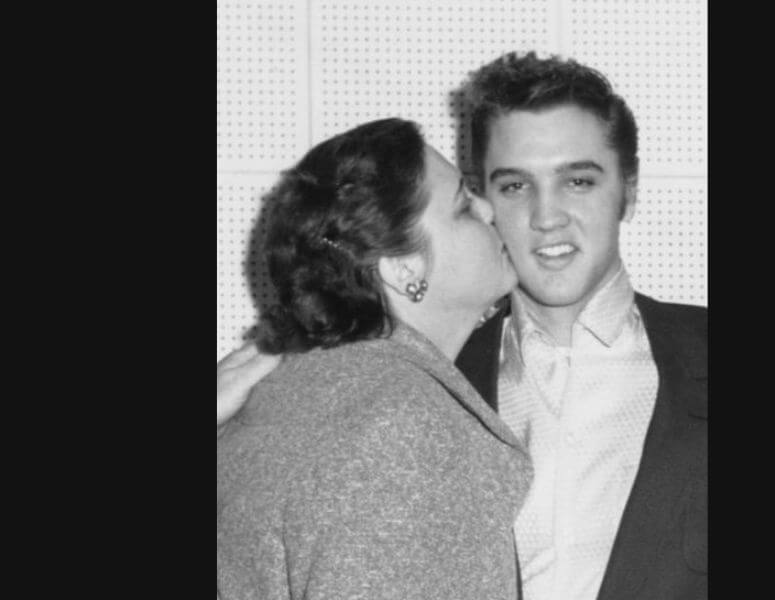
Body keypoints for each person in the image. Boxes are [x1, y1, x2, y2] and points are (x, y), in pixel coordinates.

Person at [219, 51, 707, 600]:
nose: (547, 217)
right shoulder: (402, 385)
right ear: (483, 196)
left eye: (578, 181)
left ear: (629, 190)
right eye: (515, 186)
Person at [217, 117, 532, 600]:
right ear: (405, 268)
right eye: (464, 207)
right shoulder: (402, 428)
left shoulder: (280, 400)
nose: (491, 209)